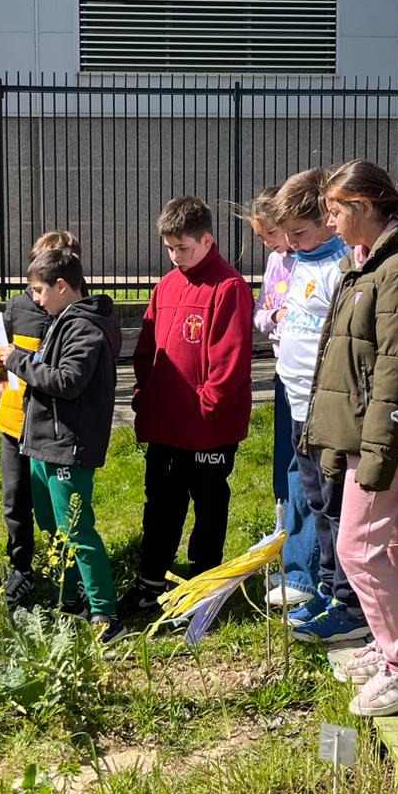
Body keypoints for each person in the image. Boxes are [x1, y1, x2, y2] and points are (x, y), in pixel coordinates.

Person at [302, 161, 398, 717]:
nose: (331, 222)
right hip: (365, 435)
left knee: (357, 549)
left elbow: (397, 372)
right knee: (386, 547)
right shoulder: (371, 265)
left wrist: (379, 452)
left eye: (336, 211)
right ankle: (391, 648)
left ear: (365, 208)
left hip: (382, 441)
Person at [123, 197, 254, 617]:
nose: (176, 256)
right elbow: (148, 348)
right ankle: (151, 582)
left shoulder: (228, 287)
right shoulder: (166, 285)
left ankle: (204, 585)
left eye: (183, 248)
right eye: (169, 248)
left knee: (209, 504)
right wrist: (148, 391)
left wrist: (208, 406)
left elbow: (229, 360)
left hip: (206, 427)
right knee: (160, 501)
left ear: (207, 239)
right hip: (166, 422)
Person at [0, 246, 125, 643]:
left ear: (63, 286)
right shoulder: (61, 319)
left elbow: (67, 381)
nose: (34, 299)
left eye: (39, 290)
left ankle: (105, 614)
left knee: (76, 529)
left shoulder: (84, 327)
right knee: (52, 526)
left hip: (66, 443)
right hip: (42, 441)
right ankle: (68, 599)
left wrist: (19, 361)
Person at [272, 169, 358, 640]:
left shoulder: (339, 265)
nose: (290, 243)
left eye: (300, 232)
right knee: (313, 498)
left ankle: (342, 596)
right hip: (298, 400)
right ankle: (327, 589)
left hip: (327, 408)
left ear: (328, 219)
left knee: (333, 505)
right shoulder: (306, 258)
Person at [0, 229, 80, 611]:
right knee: (15, 498)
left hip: (53, 425)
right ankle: (20, 565)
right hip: (16, 419)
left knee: (54, 503)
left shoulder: (75, 313)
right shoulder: (19, 306)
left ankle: (66, 568)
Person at [249, 187, 301, 603]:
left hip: (309, 374)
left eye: (271, 234)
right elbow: (262, 313)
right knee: (284, 458)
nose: (269, 243)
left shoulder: (310, 256)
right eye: (263, 238)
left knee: (305, 465)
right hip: (284, 369)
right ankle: (284, 529)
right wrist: (274, 316)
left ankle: (301, 550)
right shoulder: (275, 261)